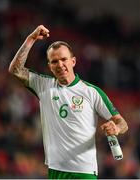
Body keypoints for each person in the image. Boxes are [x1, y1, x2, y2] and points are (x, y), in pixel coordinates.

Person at [9, 25, 128, 179]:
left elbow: (122, 123)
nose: (60, 65)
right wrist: (30, 39)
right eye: (54, 61)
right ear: (49, 66)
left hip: (83, 171)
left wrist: (116, 129)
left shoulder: (91, 92)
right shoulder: (44, 85)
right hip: (55, 170)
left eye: (64, 59)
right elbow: (15, 70)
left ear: (73, 61)